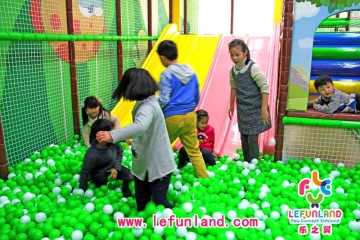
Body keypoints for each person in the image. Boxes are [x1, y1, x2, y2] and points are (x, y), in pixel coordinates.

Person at [96, 68, 176, 211]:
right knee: (141, 199)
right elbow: (144, 129)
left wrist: (113, 135)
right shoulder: (147, 102)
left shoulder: (148, 106)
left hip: (158, 164)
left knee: (159, 200)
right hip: (144, 162)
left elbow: (140, 126)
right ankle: (144, 219)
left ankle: (171, 218)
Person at [156, 40, 208, 178]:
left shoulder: (166, 74)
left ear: (162, 57)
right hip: (190, 115)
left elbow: (164, 99)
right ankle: (204, 179)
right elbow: (197, 95)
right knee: (194, 151)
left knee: (161, 149)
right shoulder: (191, 71)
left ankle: (159, 179)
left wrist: (155, 108)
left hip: (172, 117)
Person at [228, 39, 271, 163]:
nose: (234, 58)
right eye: (232, 55)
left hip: (256, 108)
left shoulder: (253, 68)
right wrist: (231, 105)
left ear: (245, 52)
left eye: (237, 54)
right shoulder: (232, 70)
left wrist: (264, 109)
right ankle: (247, 162)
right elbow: (233, 87)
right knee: (244, 136)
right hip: (243, 109)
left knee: (252, 138)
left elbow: (265, 88)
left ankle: (254, 163)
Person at [79, 119, 133, 197]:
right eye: (111, 133)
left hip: (113, 169)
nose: (114, 135)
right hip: (100, 176)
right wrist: (82, 191)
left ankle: (126, 196)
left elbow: (120, 153)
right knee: (101, 193)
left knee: (129, 175)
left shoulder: (113, 142)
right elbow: (84, 172)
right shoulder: (92, 154)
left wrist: (116, 168)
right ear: (101, 136)